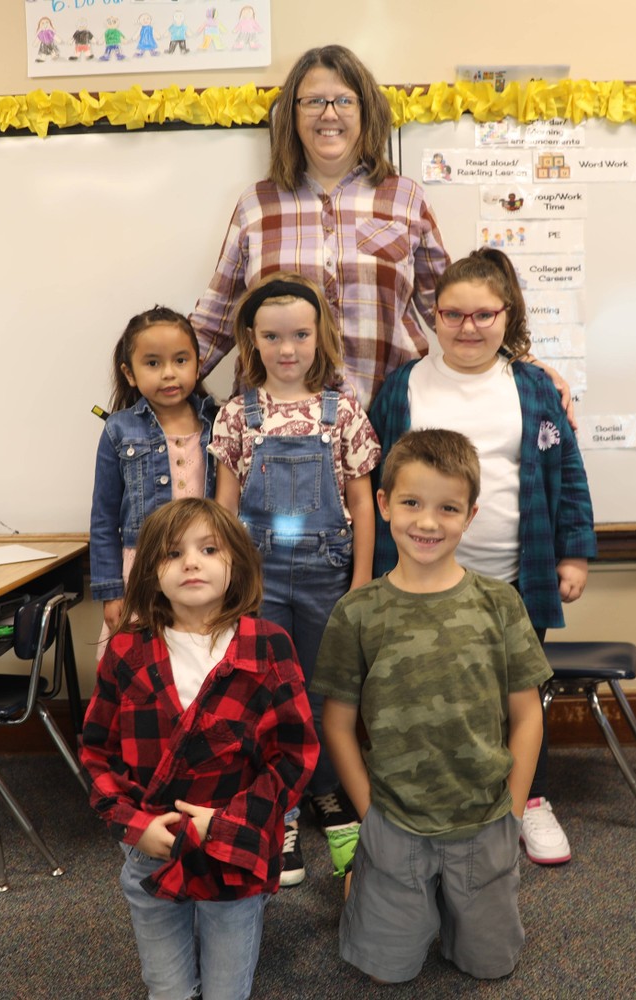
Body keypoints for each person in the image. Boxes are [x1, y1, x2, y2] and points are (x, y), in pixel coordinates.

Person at [370, 247, 597, 864]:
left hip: (516, 578)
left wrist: (573, 558)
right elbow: (373, 485)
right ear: (434, 317)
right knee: (427, 691)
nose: (468, 328)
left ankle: (532, 802)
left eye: (483, 315)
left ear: (507, 315)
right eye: (452, 314)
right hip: (421, 580)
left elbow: (568, 476)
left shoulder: (532, 387)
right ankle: (427, 803)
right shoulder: (403, 387)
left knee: (519, 695)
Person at [312, 429, 553, 985]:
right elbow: (339, 723)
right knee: (387, 972)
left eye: (447, 508)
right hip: (395, 820)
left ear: (470, 516)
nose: (427, 522)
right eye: (412, 503)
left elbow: (527, 713)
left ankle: (446, 898)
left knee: (490, 966)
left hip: (486, 818)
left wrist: (514, 808)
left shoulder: (500, 603)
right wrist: (369, 813)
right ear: (383, 504)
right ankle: (365, 876)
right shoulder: (357, 613)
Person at [80, 497, 319, 1000]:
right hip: (151, 846)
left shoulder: (267, 644)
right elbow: (97, 751)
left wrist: (230, 823)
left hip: (233, 850)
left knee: (227, 989)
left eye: (208, 549)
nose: (190, 561)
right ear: (150, 573)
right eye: (172, 554)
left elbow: (294, 756)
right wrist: (132, 823)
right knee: (166, 988)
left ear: (236, 563)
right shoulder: (127, 648)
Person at [209, 272, 381, 886]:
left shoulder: (343, 410)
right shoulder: (236, 413)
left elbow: (362, 503)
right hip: (257, 576)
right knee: (267, 690)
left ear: (319, 336)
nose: (288, 348)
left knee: (325, 688)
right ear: (252, 341)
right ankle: (277, 806)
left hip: (326, 574)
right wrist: (226, 580)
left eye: (300, 335)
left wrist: (361, 579)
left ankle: (330, 795)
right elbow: (224, 509)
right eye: (273, 336)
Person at [191, 44, 450, 414]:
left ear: (366, 112)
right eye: (313, 101)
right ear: (292, 115)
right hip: (275, 433)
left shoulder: (405, 198)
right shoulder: (257, 205)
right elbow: (214, 322)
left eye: (345, 100)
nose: (329, 114)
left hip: (387, 423)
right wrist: (155, 379)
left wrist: (520, 367)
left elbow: (454, 310)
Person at [90, 306, 217, 643]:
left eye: (180, 360)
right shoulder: (119, 430)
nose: (169, 374)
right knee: (141, 662)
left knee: (198, 655)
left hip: (205, 566)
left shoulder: (220, 424)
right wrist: (111, 591)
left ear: (198, 364)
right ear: (129, 373)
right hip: (142, 570)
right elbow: (103, 518)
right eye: (152, 363)